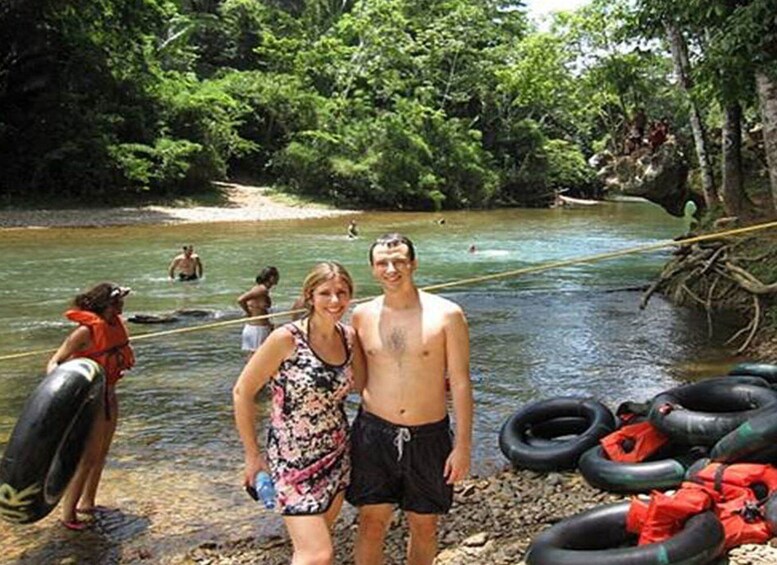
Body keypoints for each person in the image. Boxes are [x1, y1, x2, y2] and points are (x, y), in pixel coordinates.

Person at [347, 233, 473, 565]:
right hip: (373, 434)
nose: (391, 269)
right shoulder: (360, 316)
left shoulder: (447, 314)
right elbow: (354, 378)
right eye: (382, 263)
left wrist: (462, 446)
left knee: (425, 526)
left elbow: (460, 382)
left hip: (429, 434)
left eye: (399, 261)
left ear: (413, 264)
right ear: (373, 269)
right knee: (371, 524)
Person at [233, 262, 366, 565]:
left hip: (336, 455)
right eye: (325, 293)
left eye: (342, 293)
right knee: (318, 554)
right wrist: (252, 456)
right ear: (310, 296)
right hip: (292, 461)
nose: (335, 301)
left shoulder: (349, 338)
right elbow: (242, 392)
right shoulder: (286, 338)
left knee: (312, 548)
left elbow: (364, 386)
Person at [46, 283, 135, 531]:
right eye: (118, 301)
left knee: (102, 453)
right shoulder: (84, 332)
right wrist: (60, 391)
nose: (122, 304)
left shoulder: (115, 325)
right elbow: (55, 361)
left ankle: (88, 502)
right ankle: (68, 514)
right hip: (89, 400)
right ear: (106, 304)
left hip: (109, 394)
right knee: (88, 457)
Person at [237, 267, 279, 356]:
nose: (278, 278)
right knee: (257, 356)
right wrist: (248, 312)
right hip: (257, 329)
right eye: (276, 276)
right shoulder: (261, 290)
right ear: (271, 277)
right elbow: (241, 299)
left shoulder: (263, 290)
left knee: (258, 356)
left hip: (259, 327)